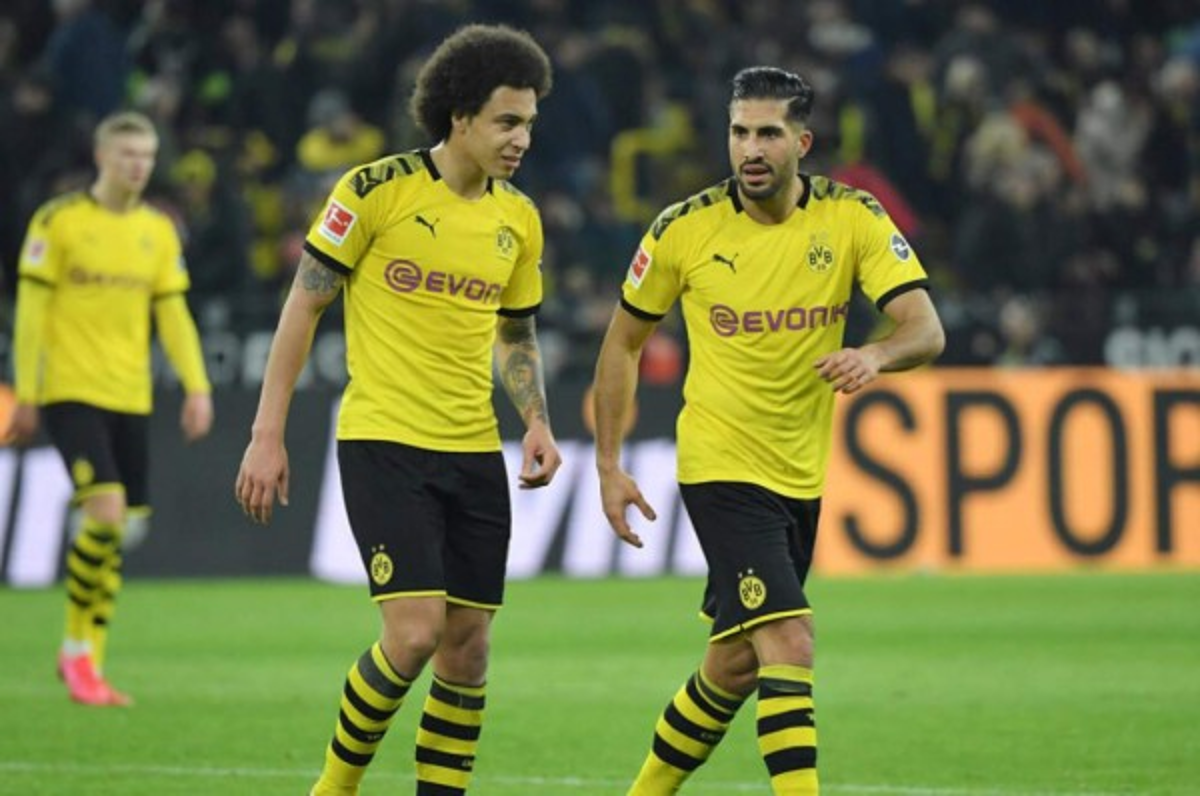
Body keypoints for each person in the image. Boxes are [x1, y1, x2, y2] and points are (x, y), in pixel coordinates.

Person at [593, 67, 946, 795]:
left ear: (802, 143)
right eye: (739, 132)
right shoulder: (684, 228)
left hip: (799, 474)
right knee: (790, 638)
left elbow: (924, 329)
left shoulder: (852, 217)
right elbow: (623, 343)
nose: (750, 149)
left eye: (768, 134)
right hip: (720, 466)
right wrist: (608, 464)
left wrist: (874, 355)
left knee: (734, 666)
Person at [234, 24, 561, 796]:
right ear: (460, 116)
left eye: (528, 123)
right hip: (384, 442)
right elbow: (303, 307)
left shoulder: (519, 218)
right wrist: (266, 434)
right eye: (506, 122)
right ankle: (335, 786)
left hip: (473, 448)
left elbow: (516, 331)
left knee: (467, 649)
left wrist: (536, 421)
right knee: (414, 636)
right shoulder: (374, 191)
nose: (521, 139)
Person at [7, 110, 214, 706]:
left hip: (130, 394)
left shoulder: (158, 231)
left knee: (122, 527)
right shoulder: (59, 222)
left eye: (146, 156)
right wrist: (26, 391)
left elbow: (174, 316)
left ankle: (88, 657)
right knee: (106, 510)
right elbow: (31, 314)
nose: (138, 166)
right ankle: (77, 653)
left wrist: (197, 387)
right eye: (127, 154)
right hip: (69, 390)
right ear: (101, 157)